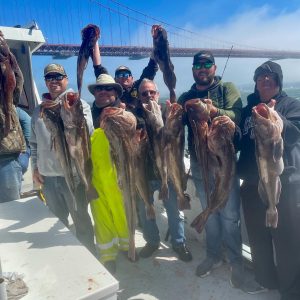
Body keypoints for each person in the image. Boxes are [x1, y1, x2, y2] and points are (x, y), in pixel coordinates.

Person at [177, 51, 244, 287]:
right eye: (198, 65)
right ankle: (213, 255)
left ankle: (236, 260)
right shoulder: (187, 96)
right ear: (193, 69)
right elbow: (174, 125)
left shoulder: (227, 89)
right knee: (211, 212)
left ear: (214, 68)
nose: (202, 68)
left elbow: (238, 115)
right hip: (199, 163)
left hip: (225, 160)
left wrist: (215, 112)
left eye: (207, 64)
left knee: (231, 214)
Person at [237, 61, 300, 299]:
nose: (265, 80)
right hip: (253, 186)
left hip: (285, 186)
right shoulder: (247, 109)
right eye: (260, 76)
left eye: (271, 76)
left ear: (279, 81)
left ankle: (292, 291)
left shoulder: (292, 105)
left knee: (288, 242)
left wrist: (277, 117)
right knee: (258, 239)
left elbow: (296, 135)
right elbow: (239, 144)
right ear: (255, 82)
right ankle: (265, 280)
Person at [30, 63, 96, 255]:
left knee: (81, 218)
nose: (54, 81)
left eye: (58, 77)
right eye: (49, 78)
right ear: (45, 82)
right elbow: (34, 144)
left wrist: (70, 111)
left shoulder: (78, 103)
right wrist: (35, 167)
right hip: (48, 178)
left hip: (74, 175)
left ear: (66, 79)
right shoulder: (38, 111)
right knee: (57, 219)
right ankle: (67, 256)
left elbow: (89, 131)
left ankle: (89, 254)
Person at [136, 78, 192, 262]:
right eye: (144, 93)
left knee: (175, 210)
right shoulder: (134, 114)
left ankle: (179, 242)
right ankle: (152, 241)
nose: (149, 96)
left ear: (158, 94)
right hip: (145, 171)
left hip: (169, 172)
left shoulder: (168, 113)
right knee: (146, 210)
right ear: (139, 96)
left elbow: (179, 130)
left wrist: (175, 113)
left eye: (152, 92)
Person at [88, 73, 130, 273]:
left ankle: (127, 246)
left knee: (123, 215)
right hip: (95, 176)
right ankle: (107, 254)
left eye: (108, 88)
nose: (103, 92)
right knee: (101, 217)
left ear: (116, 92)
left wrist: (117, 117)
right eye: (99, 89)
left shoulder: (124, 112)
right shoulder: (86, 114)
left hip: (119, 175)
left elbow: (135, 126)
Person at [0, 105, 26, 202]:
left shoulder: (8, 102)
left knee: (10, 206)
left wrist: (25, 153)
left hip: (6, 161)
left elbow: (27, 122)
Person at [16, 107, 31, 176]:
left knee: (21, 164)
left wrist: (23, 148)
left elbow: (28, 136)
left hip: (24, 146)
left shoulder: (17, 111)